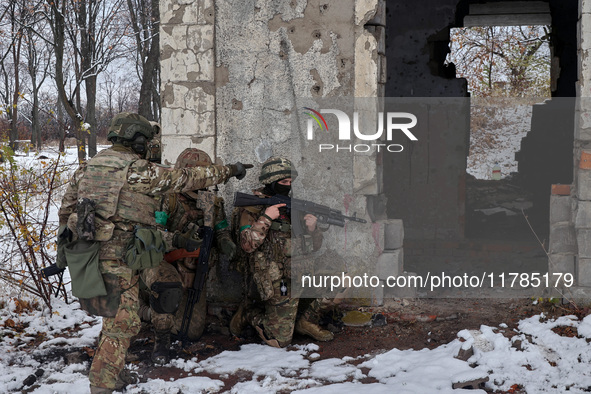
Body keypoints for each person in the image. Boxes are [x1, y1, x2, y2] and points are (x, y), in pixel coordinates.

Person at [57, 112, 248, 394]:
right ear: (138, 140)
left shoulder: (88, 168)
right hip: (118, 257)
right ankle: (101, 386)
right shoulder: (136, 169)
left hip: (94, 254)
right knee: (122, 324)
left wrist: (67, 247)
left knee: (118, 318)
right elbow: (187, 178)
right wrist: (230, 169)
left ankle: (115, 375)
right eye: (146, 140)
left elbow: (66, 209)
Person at [139, 148, 237, 364]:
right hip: (163, 264)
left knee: (191, 332)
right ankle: (158, 338)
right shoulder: (168, 199)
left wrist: (227, 244)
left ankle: (156, 313)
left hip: (192, 271)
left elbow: (220, 229)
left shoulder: (212, 202)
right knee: (166, 295)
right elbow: (154, 235)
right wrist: (180, 240)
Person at [229, 157, 334, 348]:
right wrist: (267, 218)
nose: (288, 186)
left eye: (290, 182)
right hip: (276, 278)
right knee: (280, 341)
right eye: (283, 182)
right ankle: (248, 313)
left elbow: (314, 246)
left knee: (342, 280)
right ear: (271, 182)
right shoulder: (253, 207)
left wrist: (313, 230)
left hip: (299, 272)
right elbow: (247, 245)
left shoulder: (294, 207)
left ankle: (304, 322)